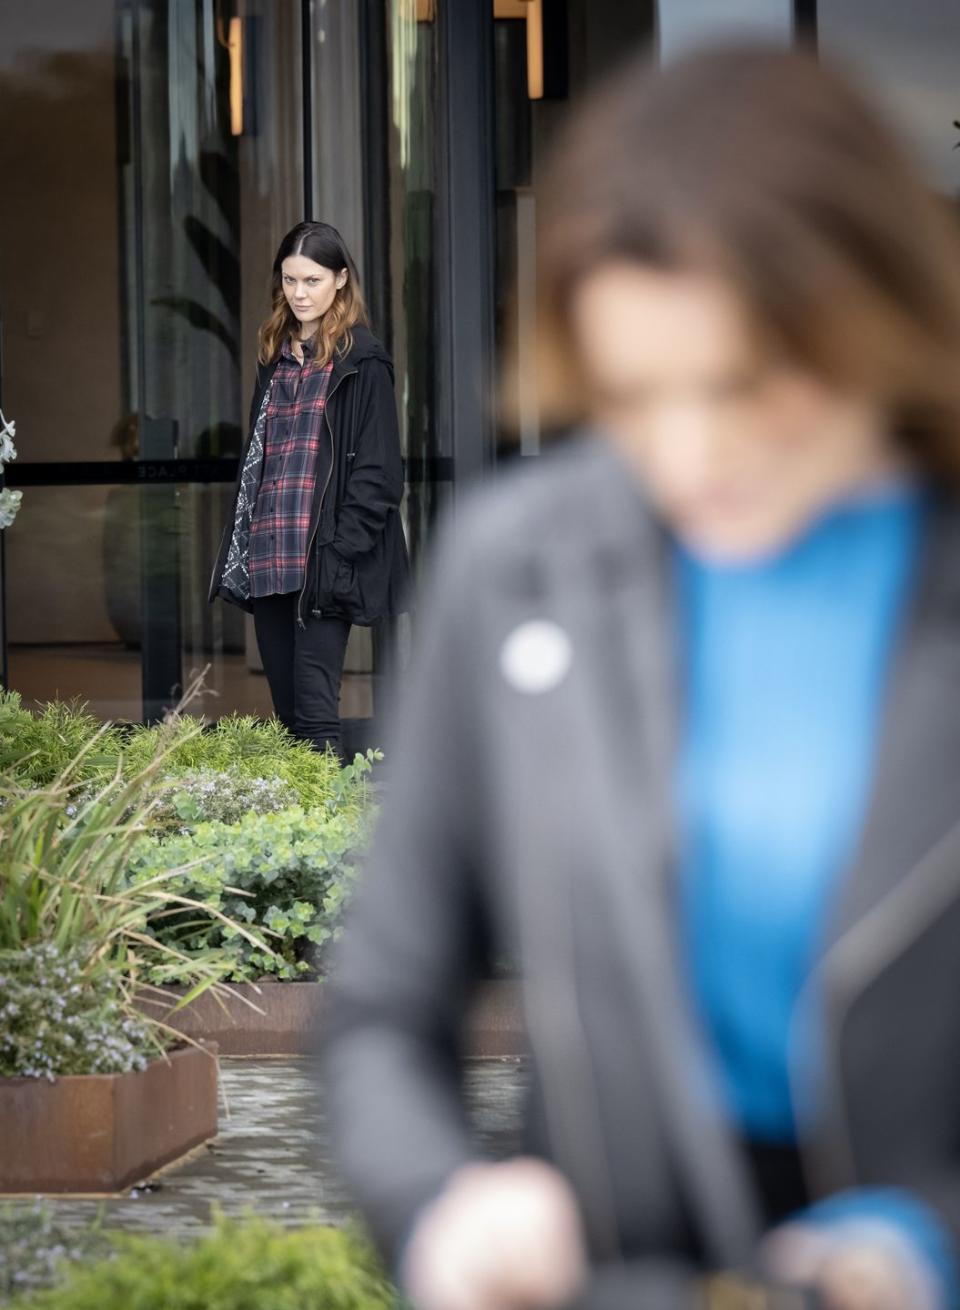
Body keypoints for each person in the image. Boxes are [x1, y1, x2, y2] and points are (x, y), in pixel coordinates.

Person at [323, 44, 960, 1310]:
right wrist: (446, 1206)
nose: (688, 453)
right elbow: (382, 1013)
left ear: (872, 318)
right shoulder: (514, 572)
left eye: (741, 385)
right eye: (631, 395)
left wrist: (929, 1243)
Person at [209, 221, 409, 759]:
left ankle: (330, 833)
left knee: (316, 715)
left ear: (341, 280)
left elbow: (381, 473)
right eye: (290, 280)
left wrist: (340, 550)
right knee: (288, 714)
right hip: (271, 553)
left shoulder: (362, 362)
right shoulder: (274, 357)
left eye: (313, 280)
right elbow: (262, 459)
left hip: (323, 558)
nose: (299, 294)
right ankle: (302, 830)